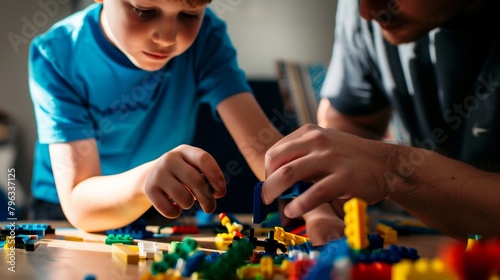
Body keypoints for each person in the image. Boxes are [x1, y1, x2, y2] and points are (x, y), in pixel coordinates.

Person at [28, 0, 283, 232]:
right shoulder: (57, 55)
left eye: (188, 15)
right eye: (144, 10)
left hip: (161, 200)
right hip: (67, 210)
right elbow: (78, 203)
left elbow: (262, 147)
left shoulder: (207, 37)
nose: (167, 37)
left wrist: (306, 197)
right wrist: (145, 180)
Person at [261, 0, 500, 244]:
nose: (366, 13)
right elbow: (351, 123)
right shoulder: (361, 10)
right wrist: (326, 199)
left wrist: (394, 167)